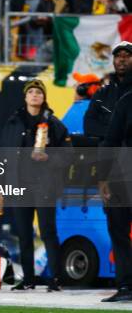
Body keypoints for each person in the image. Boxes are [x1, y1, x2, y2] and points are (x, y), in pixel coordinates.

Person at [0, 79, 70, 292]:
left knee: (48, 231)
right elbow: (4, 156)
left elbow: (69, 155)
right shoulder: (13, 122)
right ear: (25, 97)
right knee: (24, 233)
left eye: (39, 92)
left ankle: (55, 279)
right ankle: (28, 279)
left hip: (45, 186)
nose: (35, 95)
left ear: (44, 97)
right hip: (20, 186)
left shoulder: (54, 124)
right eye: (31, 92)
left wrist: (50, 159)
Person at [99, 57, 132, 303]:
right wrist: (103, 179)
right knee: (118, 230)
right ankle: (125, 286)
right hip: (122, 174)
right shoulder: (125, 101)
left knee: (119, 231)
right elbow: (110, 141)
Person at [85, 41, 132, 140]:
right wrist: (117, 133)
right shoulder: (101, 93)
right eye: (118, 56)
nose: (122, 59)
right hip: (107, 152)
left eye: (127, 56)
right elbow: (89, 126)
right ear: (114, 61)